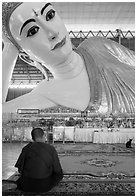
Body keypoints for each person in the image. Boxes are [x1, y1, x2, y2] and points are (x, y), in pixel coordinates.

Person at [2, 2, 135, 115]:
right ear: (28, 58)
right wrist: (9, 49)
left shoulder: (98, 46)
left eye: (50, 15)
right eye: (33, 31)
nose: (52, 32)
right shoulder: (47, 93)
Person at [15, 127, 63, 192]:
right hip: (45, 186)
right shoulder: (51, 149)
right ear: (44, 136)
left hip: (26, 186)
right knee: (59, 173)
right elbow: (57, 170)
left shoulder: (26, 148)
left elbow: (20, 169)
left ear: (32, 138)